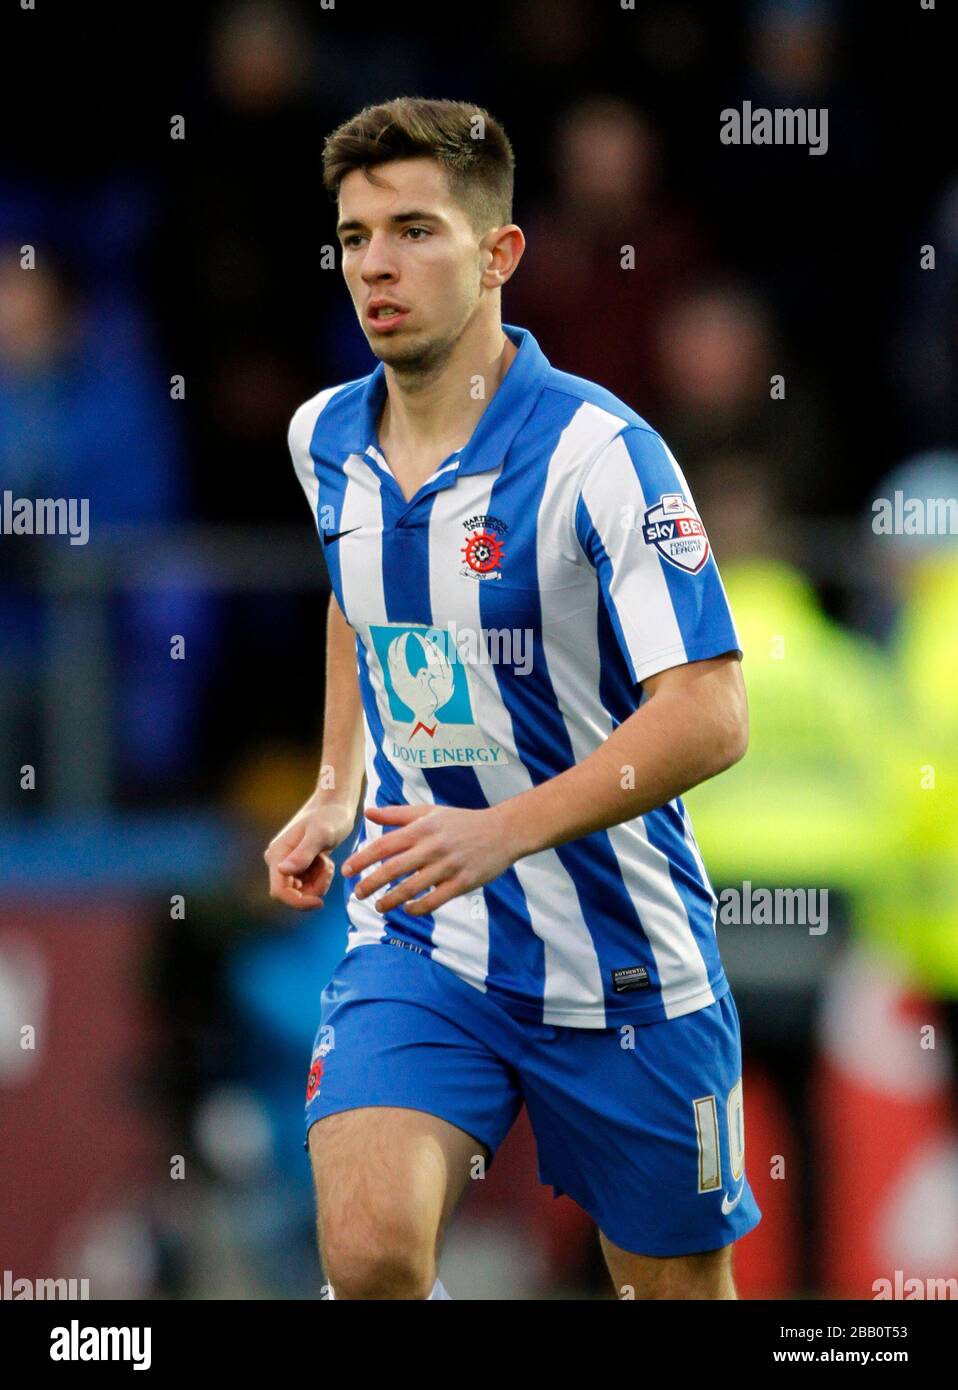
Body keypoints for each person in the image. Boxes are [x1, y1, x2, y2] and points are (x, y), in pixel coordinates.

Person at [264, 96, 760, 1300]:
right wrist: (336, 787)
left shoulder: (602, 453)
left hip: (624, 962)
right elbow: (357, 592)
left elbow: (710, 711)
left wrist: (503, 829)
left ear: (499, 255)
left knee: (673, 1292)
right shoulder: (324, 437)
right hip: (424, 933)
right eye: (354, 236)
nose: (376, 265)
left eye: (416, 230)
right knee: (371, 1254)